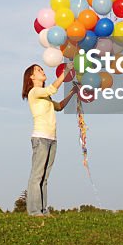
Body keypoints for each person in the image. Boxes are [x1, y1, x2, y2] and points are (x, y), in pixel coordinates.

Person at [21, 63, 76, 217]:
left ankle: (44, 210)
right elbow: (51, 88)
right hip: (41, 138)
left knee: (45, 177)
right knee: (37, 176)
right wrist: (65, 73)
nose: (42, 71)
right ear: (31, 77)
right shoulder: (34, 92)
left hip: (52, 139)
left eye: (42, 69)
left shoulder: (45, 95)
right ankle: (34, 211)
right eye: (39, 70)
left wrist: (72, 93)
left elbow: (58, 106)